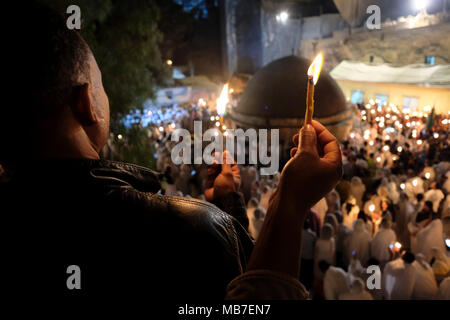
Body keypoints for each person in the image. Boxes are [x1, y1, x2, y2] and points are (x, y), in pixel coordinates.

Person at [3, 2, 345, 300]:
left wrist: (229, 206)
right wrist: (289, 205)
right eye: (100, 85)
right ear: (85, 104)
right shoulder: (184, 230)